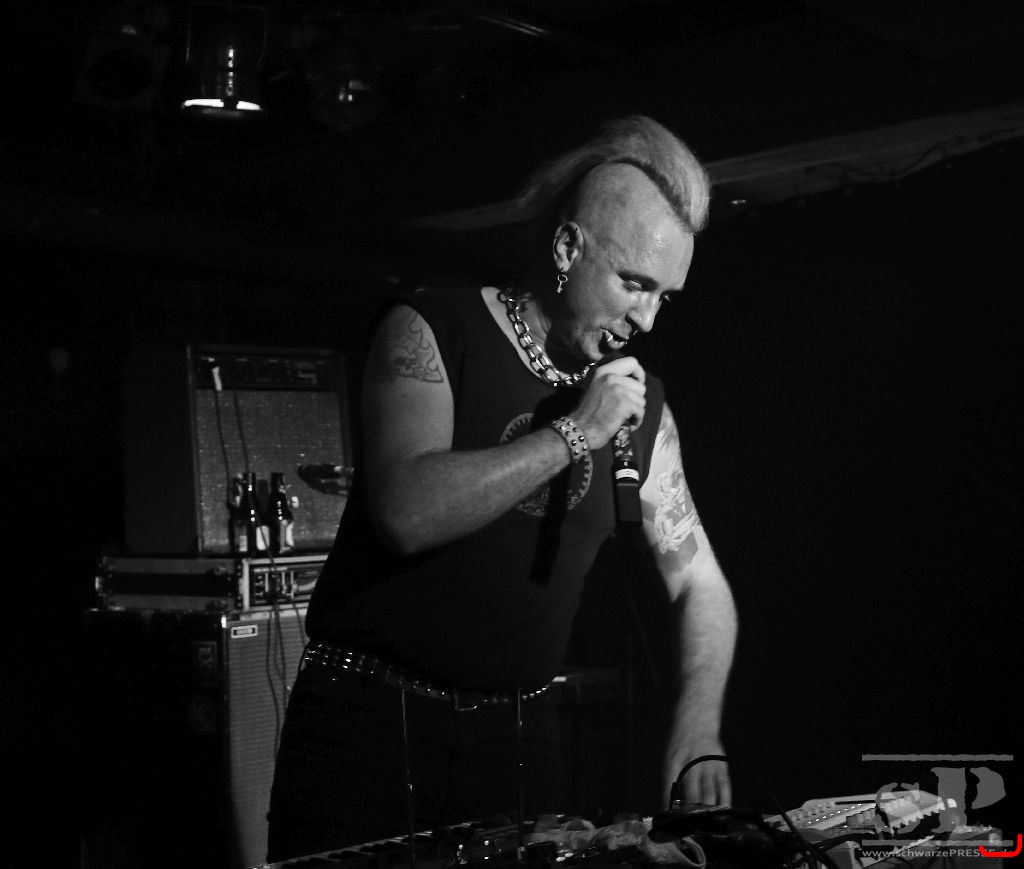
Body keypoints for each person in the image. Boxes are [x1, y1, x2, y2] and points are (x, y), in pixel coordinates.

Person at [266, 115, 737, 863]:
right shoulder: (431, 328)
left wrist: (697, 729)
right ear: (567, 249)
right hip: (371, 722)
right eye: (634, 284)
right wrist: (574, 431)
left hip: (518, 740)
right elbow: (406, 510)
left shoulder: (640, 407)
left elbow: (700, 584)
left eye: (665, 297)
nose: (646, 318)